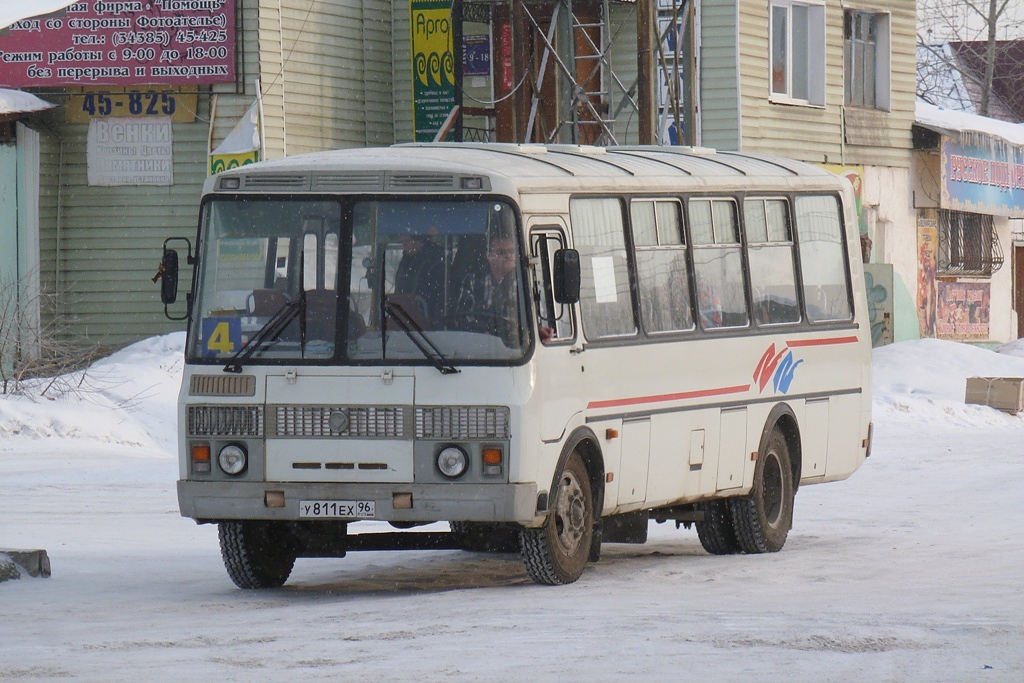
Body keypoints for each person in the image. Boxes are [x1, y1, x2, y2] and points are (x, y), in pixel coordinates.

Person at [453, 235, 523, 346]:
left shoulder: (522, 284)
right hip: (478, 346)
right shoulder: (473, 281)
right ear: (489, 256)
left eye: (511, 251)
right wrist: (482, 333)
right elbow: (462, 317)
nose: (508, 255)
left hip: (515, 349)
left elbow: (531, 321)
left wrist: (539, 330)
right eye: (501, 252)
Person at [394, 231, 446, 322]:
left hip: (425, 328)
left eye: (407, 241)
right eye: (403, 241)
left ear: (420, 242)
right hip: (402, 322)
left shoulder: (435, 265)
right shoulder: (404, 264)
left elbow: (437, 301)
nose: (404, 245)